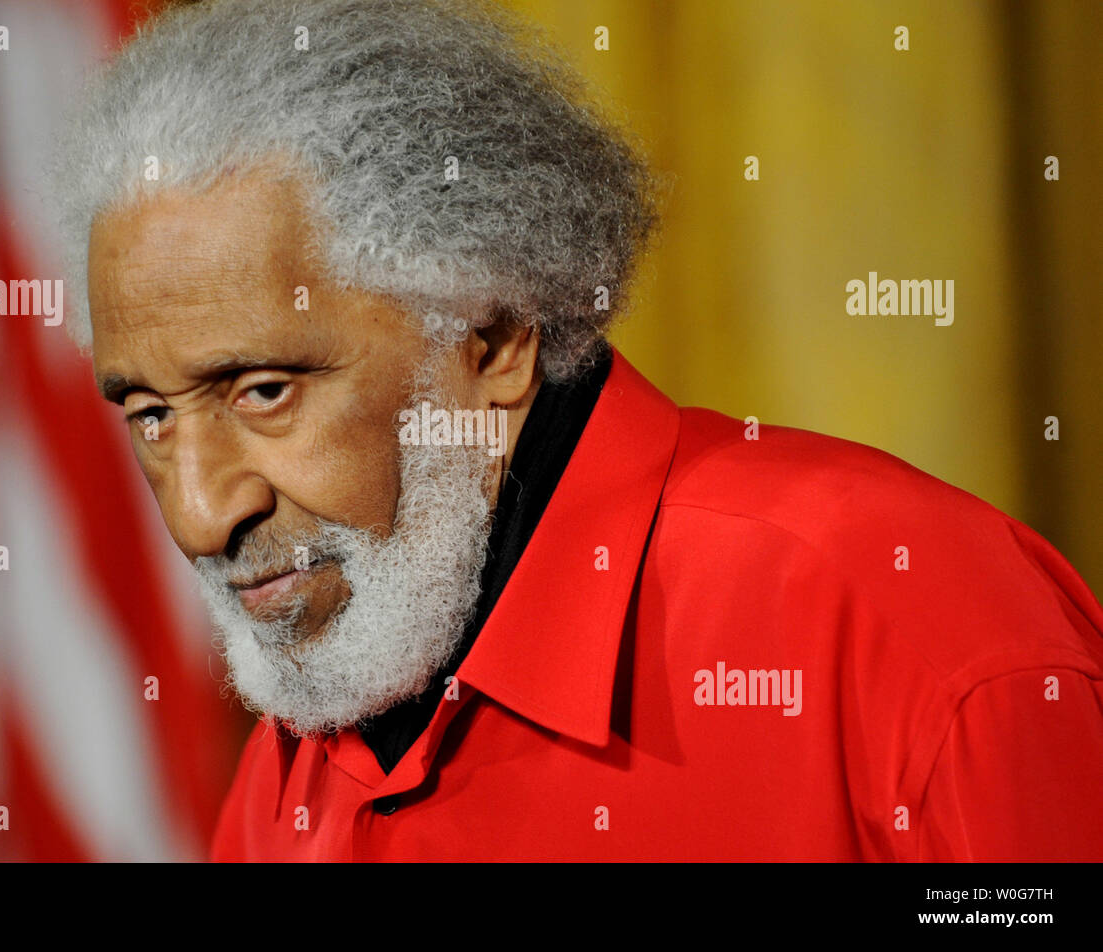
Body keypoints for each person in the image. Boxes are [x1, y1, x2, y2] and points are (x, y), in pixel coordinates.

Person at [54, 0, 1103, 860]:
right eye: (148, 414)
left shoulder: (906, 623)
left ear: (495, 338)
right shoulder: (297, 758)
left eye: (264, 391)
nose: (200, 513)